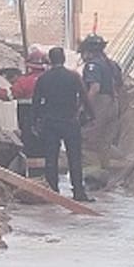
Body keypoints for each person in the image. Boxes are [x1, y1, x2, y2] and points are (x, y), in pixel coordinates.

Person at [31, 46, 95, 202]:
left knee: (51, 158)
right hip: (70, 121)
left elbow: (36, 101)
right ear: (64, 59)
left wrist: (35, 121)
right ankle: (78, 192)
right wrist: (90, 115)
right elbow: (84, 97)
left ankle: (53, 192)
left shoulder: (43, 78)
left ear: (50, 60)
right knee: (75, 157)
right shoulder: (73, 77)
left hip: (50, 122)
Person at [0, 45, 50, 160]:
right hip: (48, 119)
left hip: (28, 117)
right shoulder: (49, 78)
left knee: (30, 144)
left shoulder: (26, 82)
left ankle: (32, 169)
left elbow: (7, 95)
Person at [80, 34, 124, 180]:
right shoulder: (112, 65)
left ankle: (93, 178)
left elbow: (95, 87)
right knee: (104, 142)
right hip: (114, 103)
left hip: (100, 103)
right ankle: (105, 176)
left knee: (88, 141)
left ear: (88, 51)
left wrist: (84, 106)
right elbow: (120, 86)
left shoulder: (92, 66)